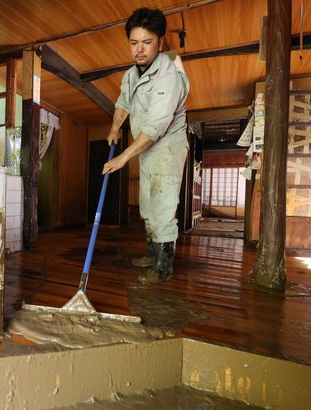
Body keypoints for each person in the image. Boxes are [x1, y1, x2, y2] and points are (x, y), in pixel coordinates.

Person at [102, 7, 189, 284]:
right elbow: (123, 104)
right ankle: (153, 255)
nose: (139, 50)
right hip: (147, 148)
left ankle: (164, 268)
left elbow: (155, 128)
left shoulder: (168, 77)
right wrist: (115, 128)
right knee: (148, 205)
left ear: (160, 43)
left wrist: (123, 158)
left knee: (162, 205)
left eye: (147, 42)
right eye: (134, 42)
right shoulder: (131, 74)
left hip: (167, 146)